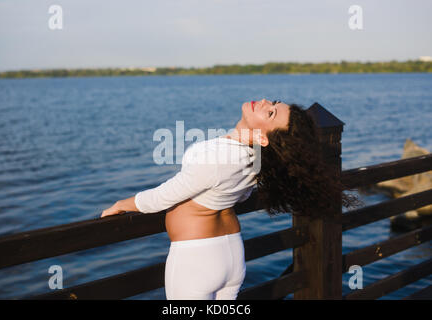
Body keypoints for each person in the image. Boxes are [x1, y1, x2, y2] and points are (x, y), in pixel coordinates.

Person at [100, 99, 361, 300]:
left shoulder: (221, 159)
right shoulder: (254, 158)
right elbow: (241, 192)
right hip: (230, 254)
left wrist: (121, 204)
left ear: (262, 137)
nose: (264, 103)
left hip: (196, 258)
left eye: (270, 113)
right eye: (273, 103)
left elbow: (165, 196)